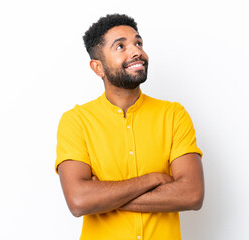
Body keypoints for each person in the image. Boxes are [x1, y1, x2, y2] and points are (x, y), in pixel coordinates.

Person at [55, 14, 204, 240]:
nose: (136, 52)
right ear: (98, 67)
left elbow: (192, 194)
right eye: (120, 46)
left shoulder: (173, 115)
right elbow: (79, 201)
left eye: (138, 43)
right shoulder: (76, 121)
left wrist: (103, 198)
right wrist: (153, 179)